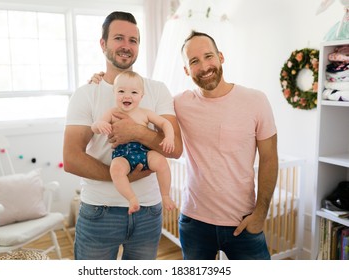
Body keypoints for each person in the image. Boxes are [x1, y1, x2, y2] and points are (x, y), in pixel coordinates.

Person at [63, 11, 182, 260]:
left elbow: (176, 148)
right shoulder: (86, 94)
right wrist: (124, 177)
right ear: (103, 43)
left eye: (133, 40)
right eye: (119, 38)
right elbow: (72, 158)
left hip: (148, 213)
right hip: (99, 212)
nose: (126, 46)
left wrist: (136, 132)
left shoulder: (157, 90)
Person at [175, 30, 278, 260]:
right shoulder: (179, 103)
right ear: (186, 70)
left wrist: (260, 213)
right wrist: (104, 82)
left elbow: (269, 157)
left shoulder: (256, 100)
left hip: (243, 221)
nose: (204, 66)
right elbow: (140, 98)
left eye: (208, 56)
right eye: (194, 61)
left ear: (221, 57)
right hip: (194, 222)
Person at [91, 70, 177, 214]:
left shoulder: (145, 112)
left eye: (134, 93)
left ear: (142, 96)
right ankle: (131, 198)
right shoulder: (112, 113)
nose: (127, 96)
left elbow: (165, 123)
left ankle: (165, 195)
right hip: (122, 154)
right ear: (114, 93)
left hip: (144, 152)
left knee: (162, 162)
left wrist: (169, 137)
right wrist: (99, 125)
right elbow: (95, 126)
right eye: (121, 91)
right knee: (116, 169)